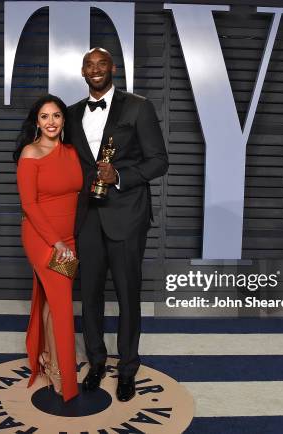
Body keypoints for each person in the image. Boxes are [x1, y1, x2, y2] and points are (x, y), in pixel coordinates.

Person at [65, 48, 169, 402]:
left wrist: (121, 175)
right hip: (87, 218)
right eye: (89, 65)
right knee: (89, 295)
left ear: (113, 68)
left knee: (127, 295)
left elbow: (159, 161)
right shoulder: (72, 113)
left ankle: (127, 369)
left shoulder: (138, 106)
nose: (95, 70)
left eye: (102, 64)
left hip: (126, 215)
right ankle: (95, 361)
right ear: (82, 71)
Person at [14, 94, 82, 402]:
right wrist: (56, 243)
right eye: (44, 116)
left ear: (64, 120)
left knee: (52, 302)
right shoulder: (31, 152)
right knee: (62, 305)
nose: (51, 122)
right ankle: (61, 374)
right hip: (44, 239)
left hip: (70, 239)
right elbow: (29, 204)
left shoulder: (71, 152)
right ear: (36, 121)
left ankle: (44, 356)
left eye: (56, 115)